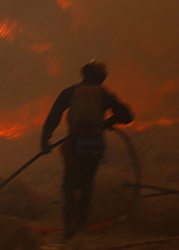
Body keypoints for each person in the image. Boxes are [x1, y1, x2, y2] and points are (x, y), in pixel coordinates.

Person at [40, 59, 133, 239]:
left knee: (68, 184)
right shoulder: (104, 94)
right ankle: (82, 225)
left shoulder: (70, 92)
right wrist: (107, 123)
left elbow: (54, 116)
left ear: (84, 75)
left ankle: (70, 226)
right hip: (94, 144)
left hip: (74, 143)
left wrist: (45, 140)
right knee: (87, 184)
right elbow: (127, 115)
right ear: (101, 78)